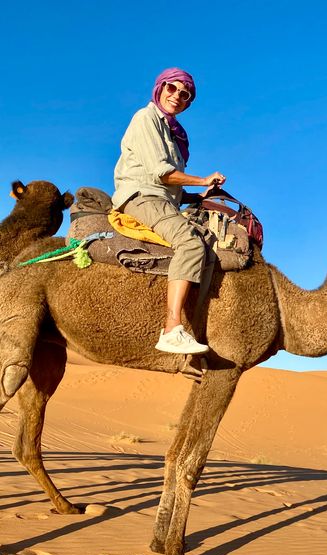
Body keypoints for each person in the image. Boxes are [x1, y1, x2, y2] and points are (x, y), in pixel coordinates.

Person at [113, 67, 225, 354]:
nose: (177, 96)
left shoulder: (174, 135)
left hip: (162, 198)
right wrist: (202, 178)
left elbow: (171, 187)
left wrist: (199, 194)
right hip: (141, 197)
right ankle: (171, 329)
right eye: (172, 88)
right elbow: (161, 174)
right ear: (160, 88)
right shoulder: (146, 118)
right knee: (190, 243)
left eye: (184, 94)